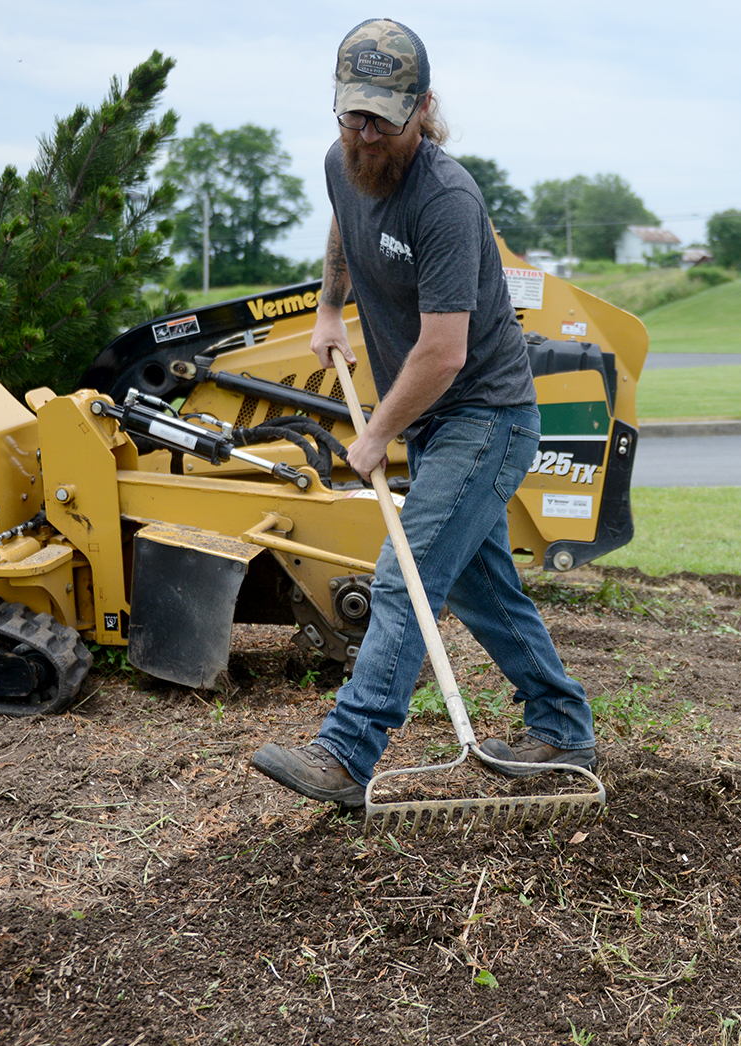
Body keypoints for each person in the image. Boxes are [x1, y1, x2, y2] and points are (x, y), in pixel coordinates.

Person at [251, 17, 595, 809]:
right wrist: (331, 307)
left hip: (488, 414)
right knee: (483, 589)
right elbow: (345, 219)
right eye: (352, 115)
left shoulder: (445, 198)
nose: (366, 134)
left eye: (383, 117)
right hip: (441, 419)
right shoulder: (346, 162)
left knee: (406, 572)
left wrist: (374, 434)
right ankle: (563, 726)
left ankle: (347, 751)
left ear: (423, 107)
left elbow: (444, 354)